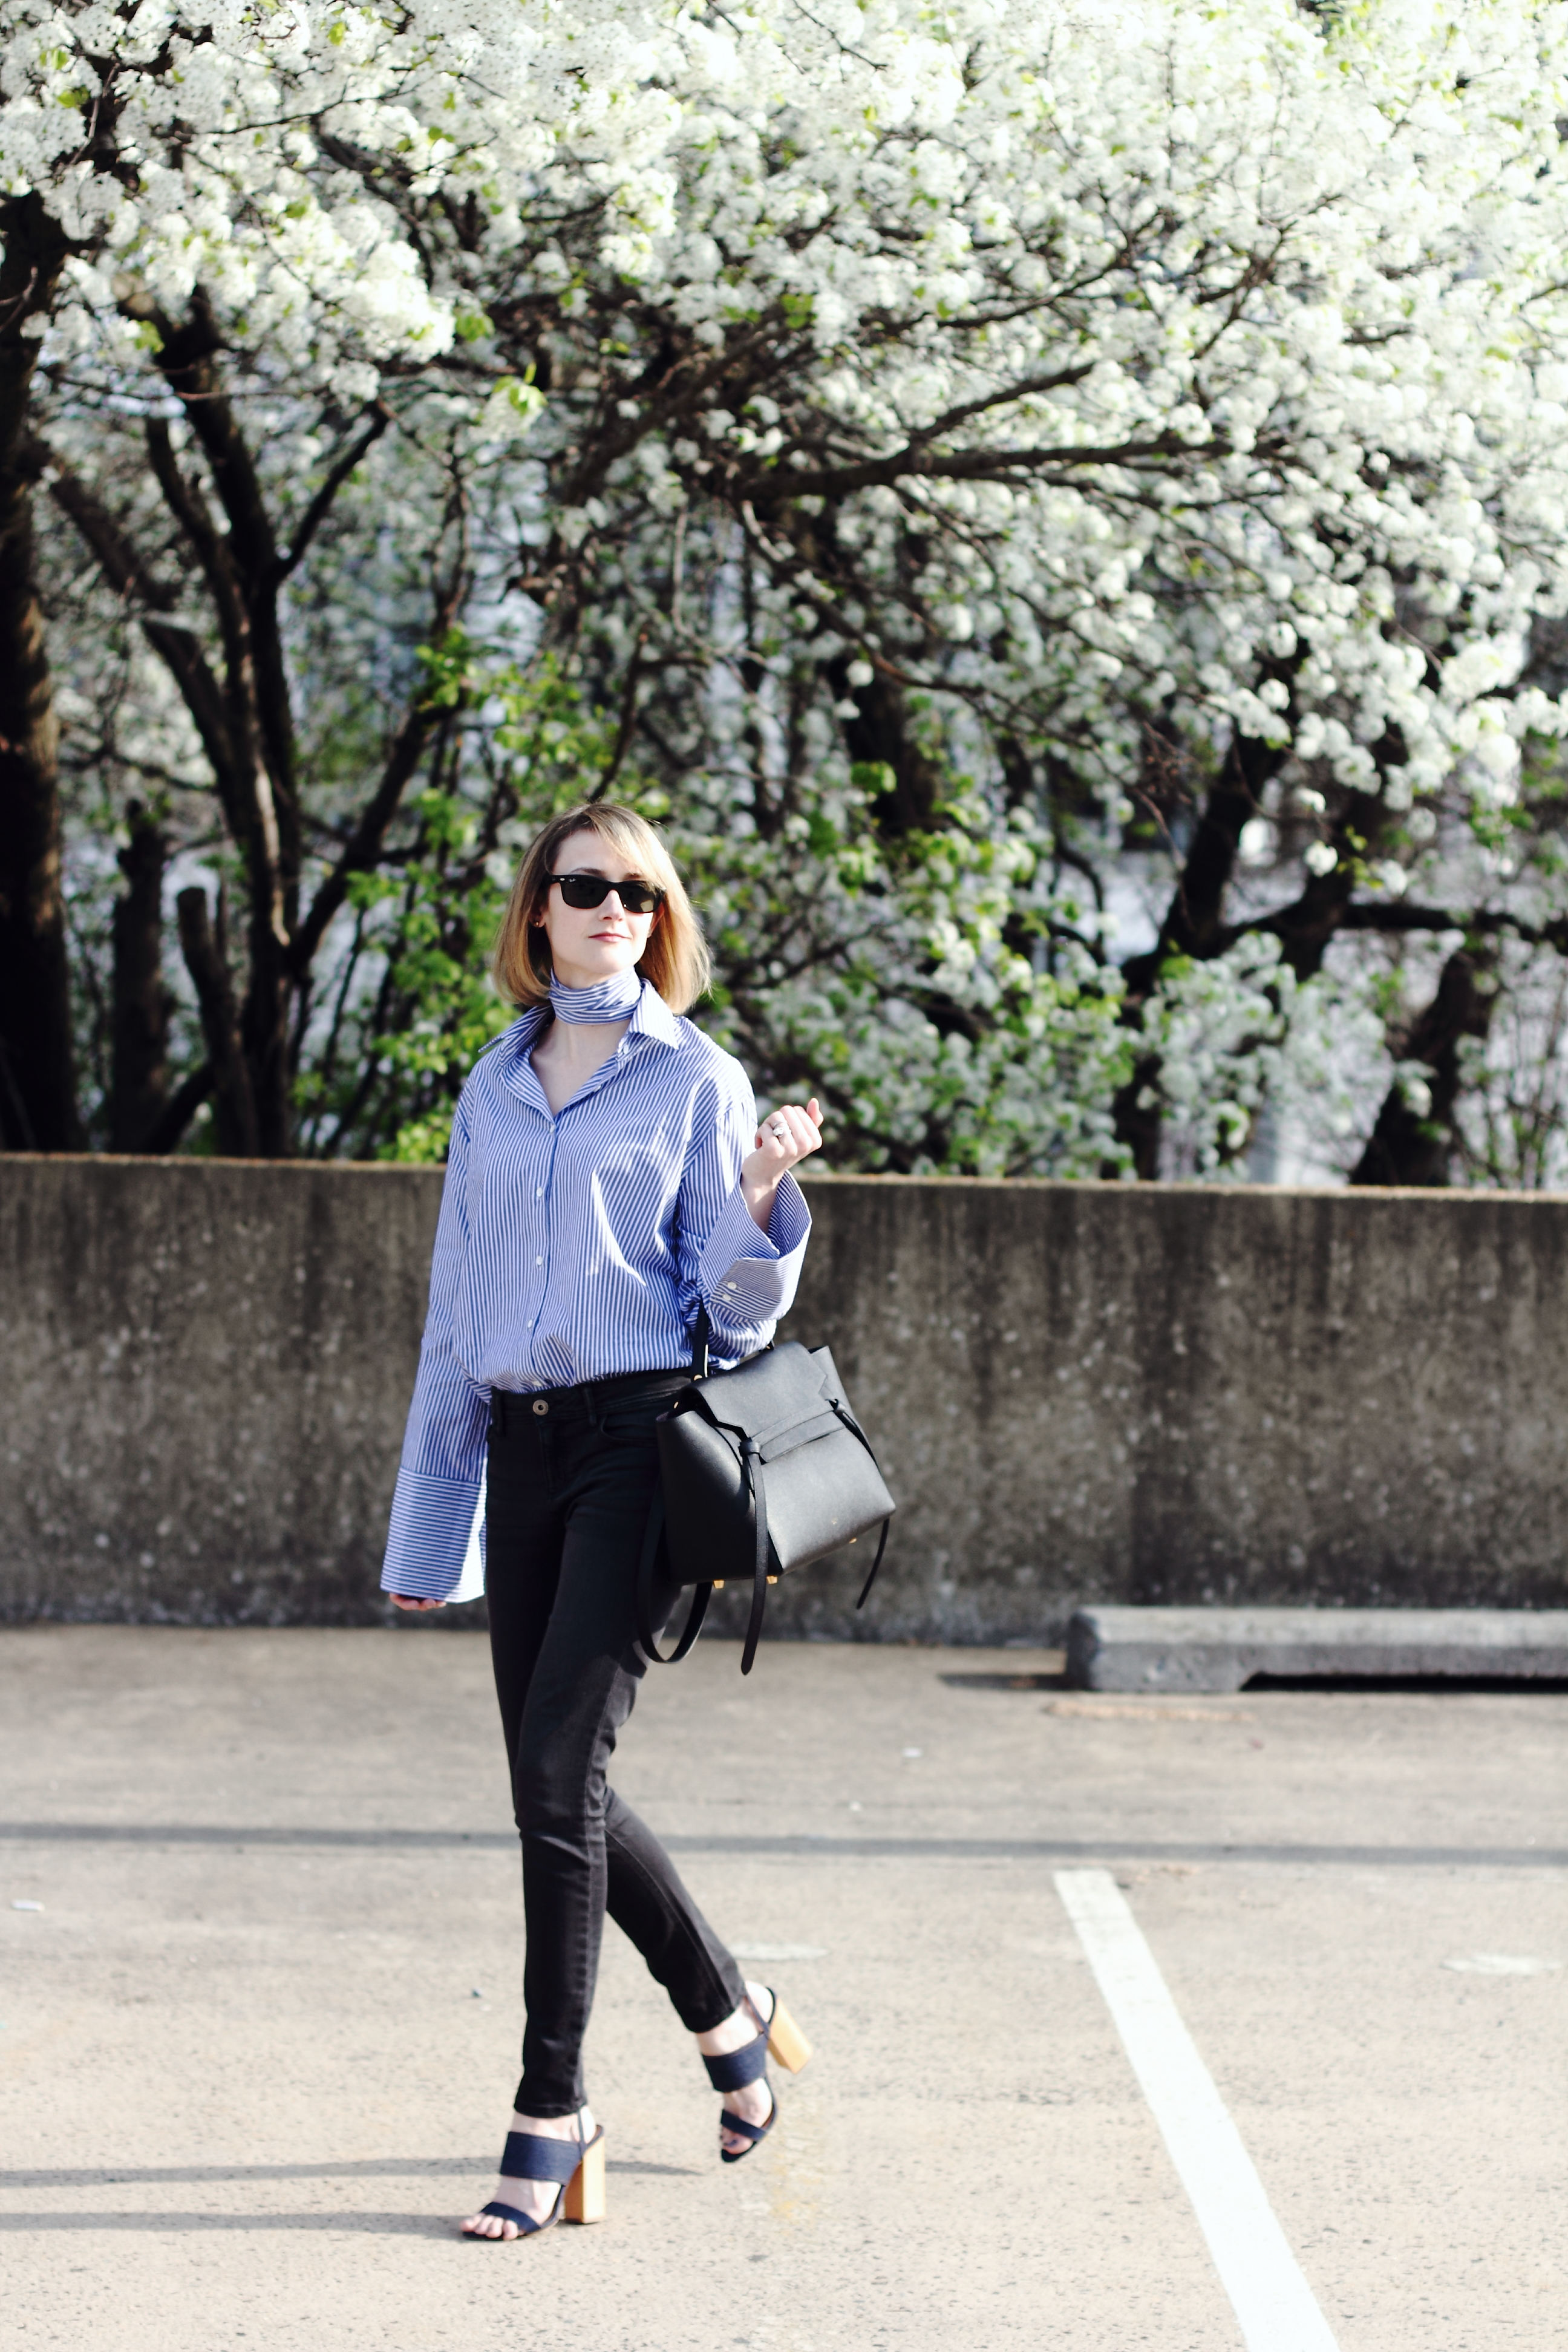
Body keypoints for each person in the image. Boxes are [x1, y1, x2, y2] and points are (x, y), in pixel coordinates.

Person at [382, 802, 823, 2241]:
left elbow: (728, 1303)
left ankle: (550, 2105)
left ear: (660, 916)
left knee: (558, 1766)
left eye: (639, 892)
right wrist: (426, 1528)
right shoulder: (494, 1087)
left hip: (640, 1446)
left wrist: (763, 1197)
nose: (614, 909)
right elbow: (459, 1310)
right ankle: (730, 2009)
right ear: (539, 913)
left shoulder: (695, 1080)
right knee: (548, 1780)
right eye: (587, 888)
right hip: (521, 1450)